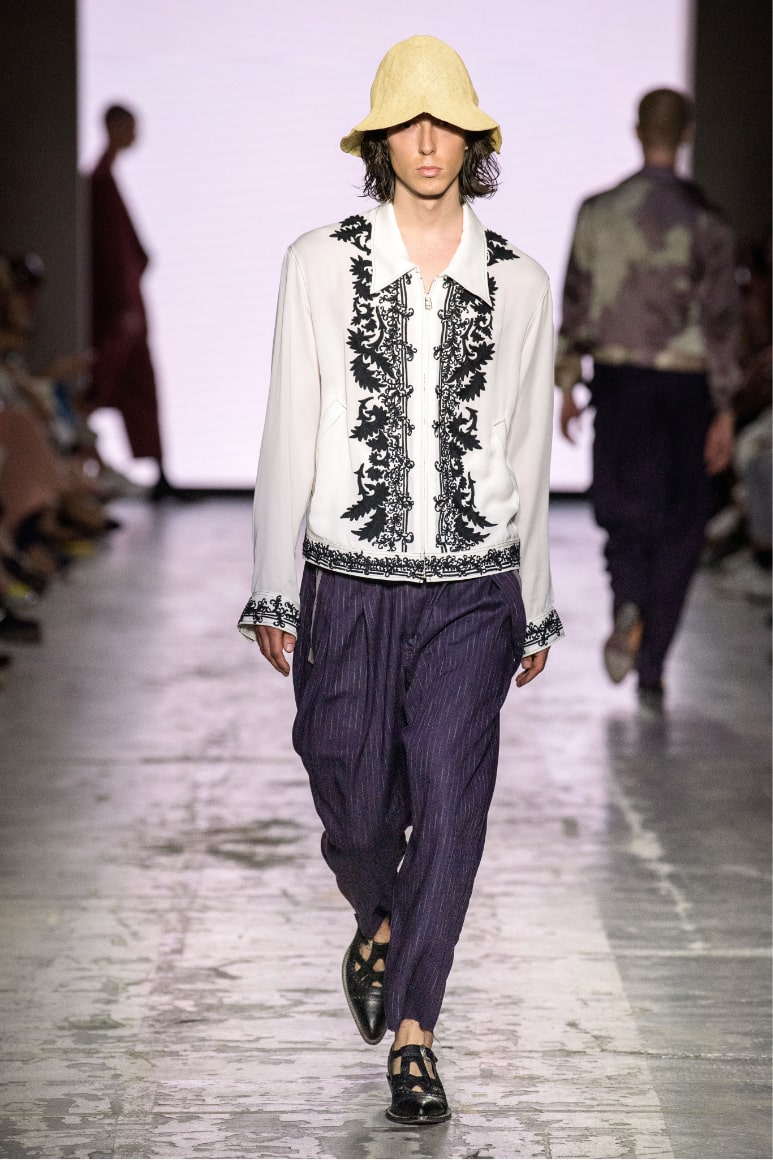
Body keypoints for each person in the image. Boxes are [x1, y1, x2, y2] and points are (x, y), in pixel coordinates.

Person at [238, 35, 563, 1124]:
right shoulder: (317, 263)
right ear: (379, 142)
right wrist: (272, 581)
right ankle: (378, 916)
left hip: (474, 587)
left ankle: (415, 1032)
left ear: (474, 142)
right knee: (348, 789)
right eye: (407, 125)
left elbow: (525, 447)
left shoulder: (519, 282)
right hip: (347, 580)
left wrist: (535, 599)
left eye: (446, 125)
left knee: (452, 803)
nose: (427, 144)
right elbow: (289, 424)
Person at [556, 88, 741, 710]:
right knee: (681, 526)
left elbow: (576, 301)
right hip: (687, 387)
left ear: (638, 130)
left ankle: (628, 599)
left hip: (619, 381)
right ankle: (654, 664)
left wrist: (567, 383)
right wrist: (724, 409)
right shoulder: (708, 221)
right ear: (686, 133)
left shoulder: (598, 213)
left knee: (623, 512)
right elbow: (722, 324)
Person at [87, 104, 172, 500]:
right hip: (120, 311)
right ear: (115, 127)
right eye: (131, 127)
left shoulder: (105, 177)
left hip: (126, 308)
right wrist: (124, 307)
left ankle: (159, 475)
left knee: (135, 389)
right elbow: (110, 252)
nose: (136, 134)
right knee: (103, 386)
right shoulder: (101, 180)